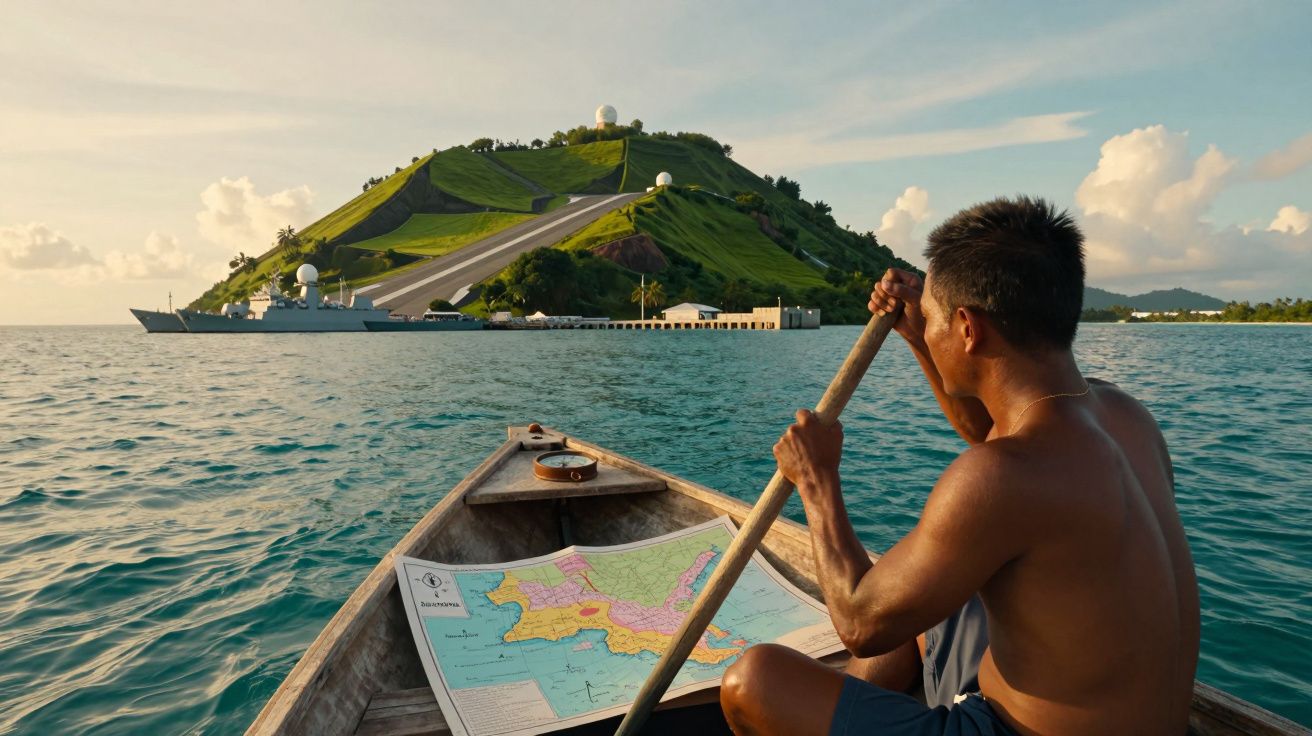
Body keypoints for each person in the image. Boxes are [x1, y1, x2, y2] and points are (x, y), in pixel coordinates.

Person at [719, 196, 1200, 735]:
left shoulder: (1000, 478)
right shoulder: (1124, 418)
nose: (927, 328)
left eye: (933, 321)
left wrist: (816, 479)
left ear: (967, 329)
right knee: (929, 583)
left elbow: (859, 622)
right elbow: (991, 433)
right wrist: (917, 335)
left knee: (753, 681)